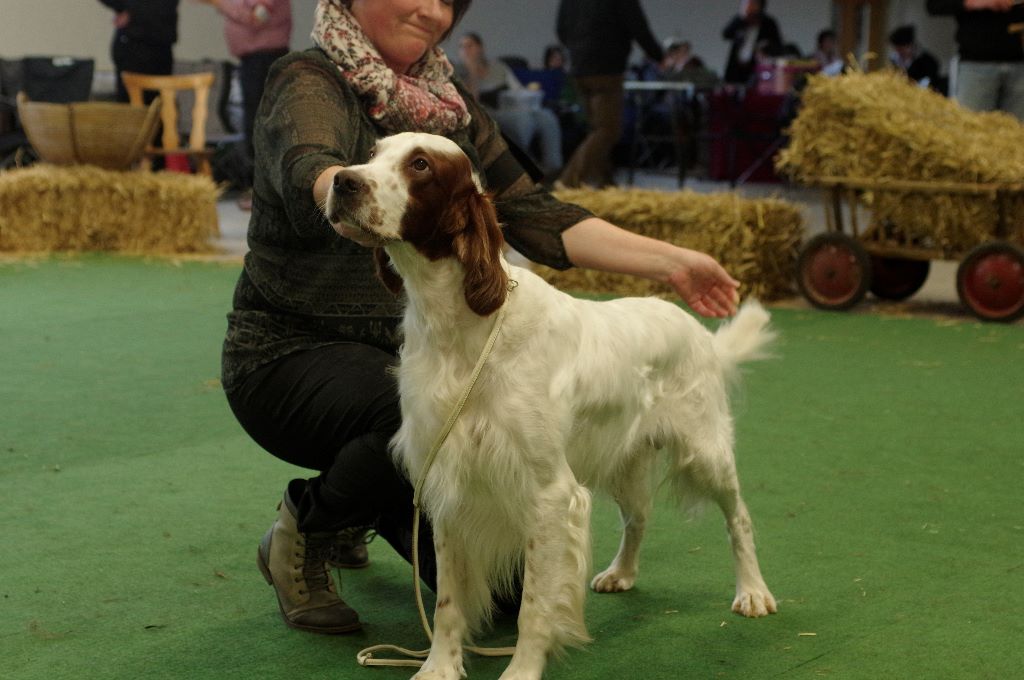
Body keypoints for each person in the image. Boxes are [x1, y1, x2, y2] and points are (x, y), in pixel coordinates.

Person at [222, 0, 741, 635]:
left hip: (409, 353)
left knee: (502, 601)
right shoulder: (307, 78)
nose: (429, 9)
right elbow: (311, 163)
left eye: (446, 0)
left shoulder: (449, 103)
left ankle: (370, 502)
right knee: (415, 408)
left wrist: (671, 263)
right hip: (287, 354)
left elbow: (532, 212)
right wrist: (352, 192)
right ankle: (307, 525)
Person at [555, 0, 664, 189]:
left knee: (596, 129)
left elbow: (561, 29)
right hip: (606, 68)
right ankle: (568, 182)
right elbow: (638, 26)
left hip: (580, 68)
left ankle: (603, 183)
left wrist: (578, 48)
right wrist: (659, 56)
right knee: (607, 130)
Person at [193, 0, 292, 207]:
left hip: (264, 60)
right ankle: (261, 190)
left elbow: (258, 17)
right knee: (256, 124)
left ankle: (265, 192)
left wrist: (220, 4)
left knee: (261, 125)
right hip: (256, 60)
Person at [455, 32, 563, 178]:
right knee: (523, 120)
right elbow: (471, 103)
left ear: (480, 48)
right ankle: (528, 169)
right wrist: (473, 71)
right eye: (462, 47)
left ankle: (554, 168)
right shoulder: (459, 72)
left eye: (469, 45)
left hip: (514, 107)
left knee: (546, 115)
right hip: (489, 112)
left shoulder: (498, 67)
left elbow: (517, 89)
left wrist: (529, 96)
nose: (465, 50)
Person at [927, 0, 1024, 120]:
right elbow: (934, 5)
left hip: (1019, 61)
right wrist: (978, 2)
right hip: (976, 62)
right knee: (971, 129)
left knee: (1016, 133)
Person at [97, 0, 180, 103]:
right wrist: (133, 11)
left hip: (156, 43)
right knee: (132, 109)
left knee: (156, 106)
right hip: (134, 43)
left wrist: (133, 12)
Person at [721, 0, 783, 86]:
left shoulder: (768, 23)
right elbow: (726, 34)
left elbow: (778, 45)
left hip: (757, 70)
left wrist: (765, 48)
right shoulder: (740, 21)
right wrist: (741, 19)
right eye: (745, 4)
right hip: (736, 69)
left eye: (751, 4)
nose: (747, 7)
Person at [888, 25, 943, 92]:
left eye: (902, 49)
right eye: (897, 49)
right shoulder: (894, 59)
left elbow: (931, 85)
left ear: (910, 45)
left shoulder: (928, 62)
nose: (899, 52)